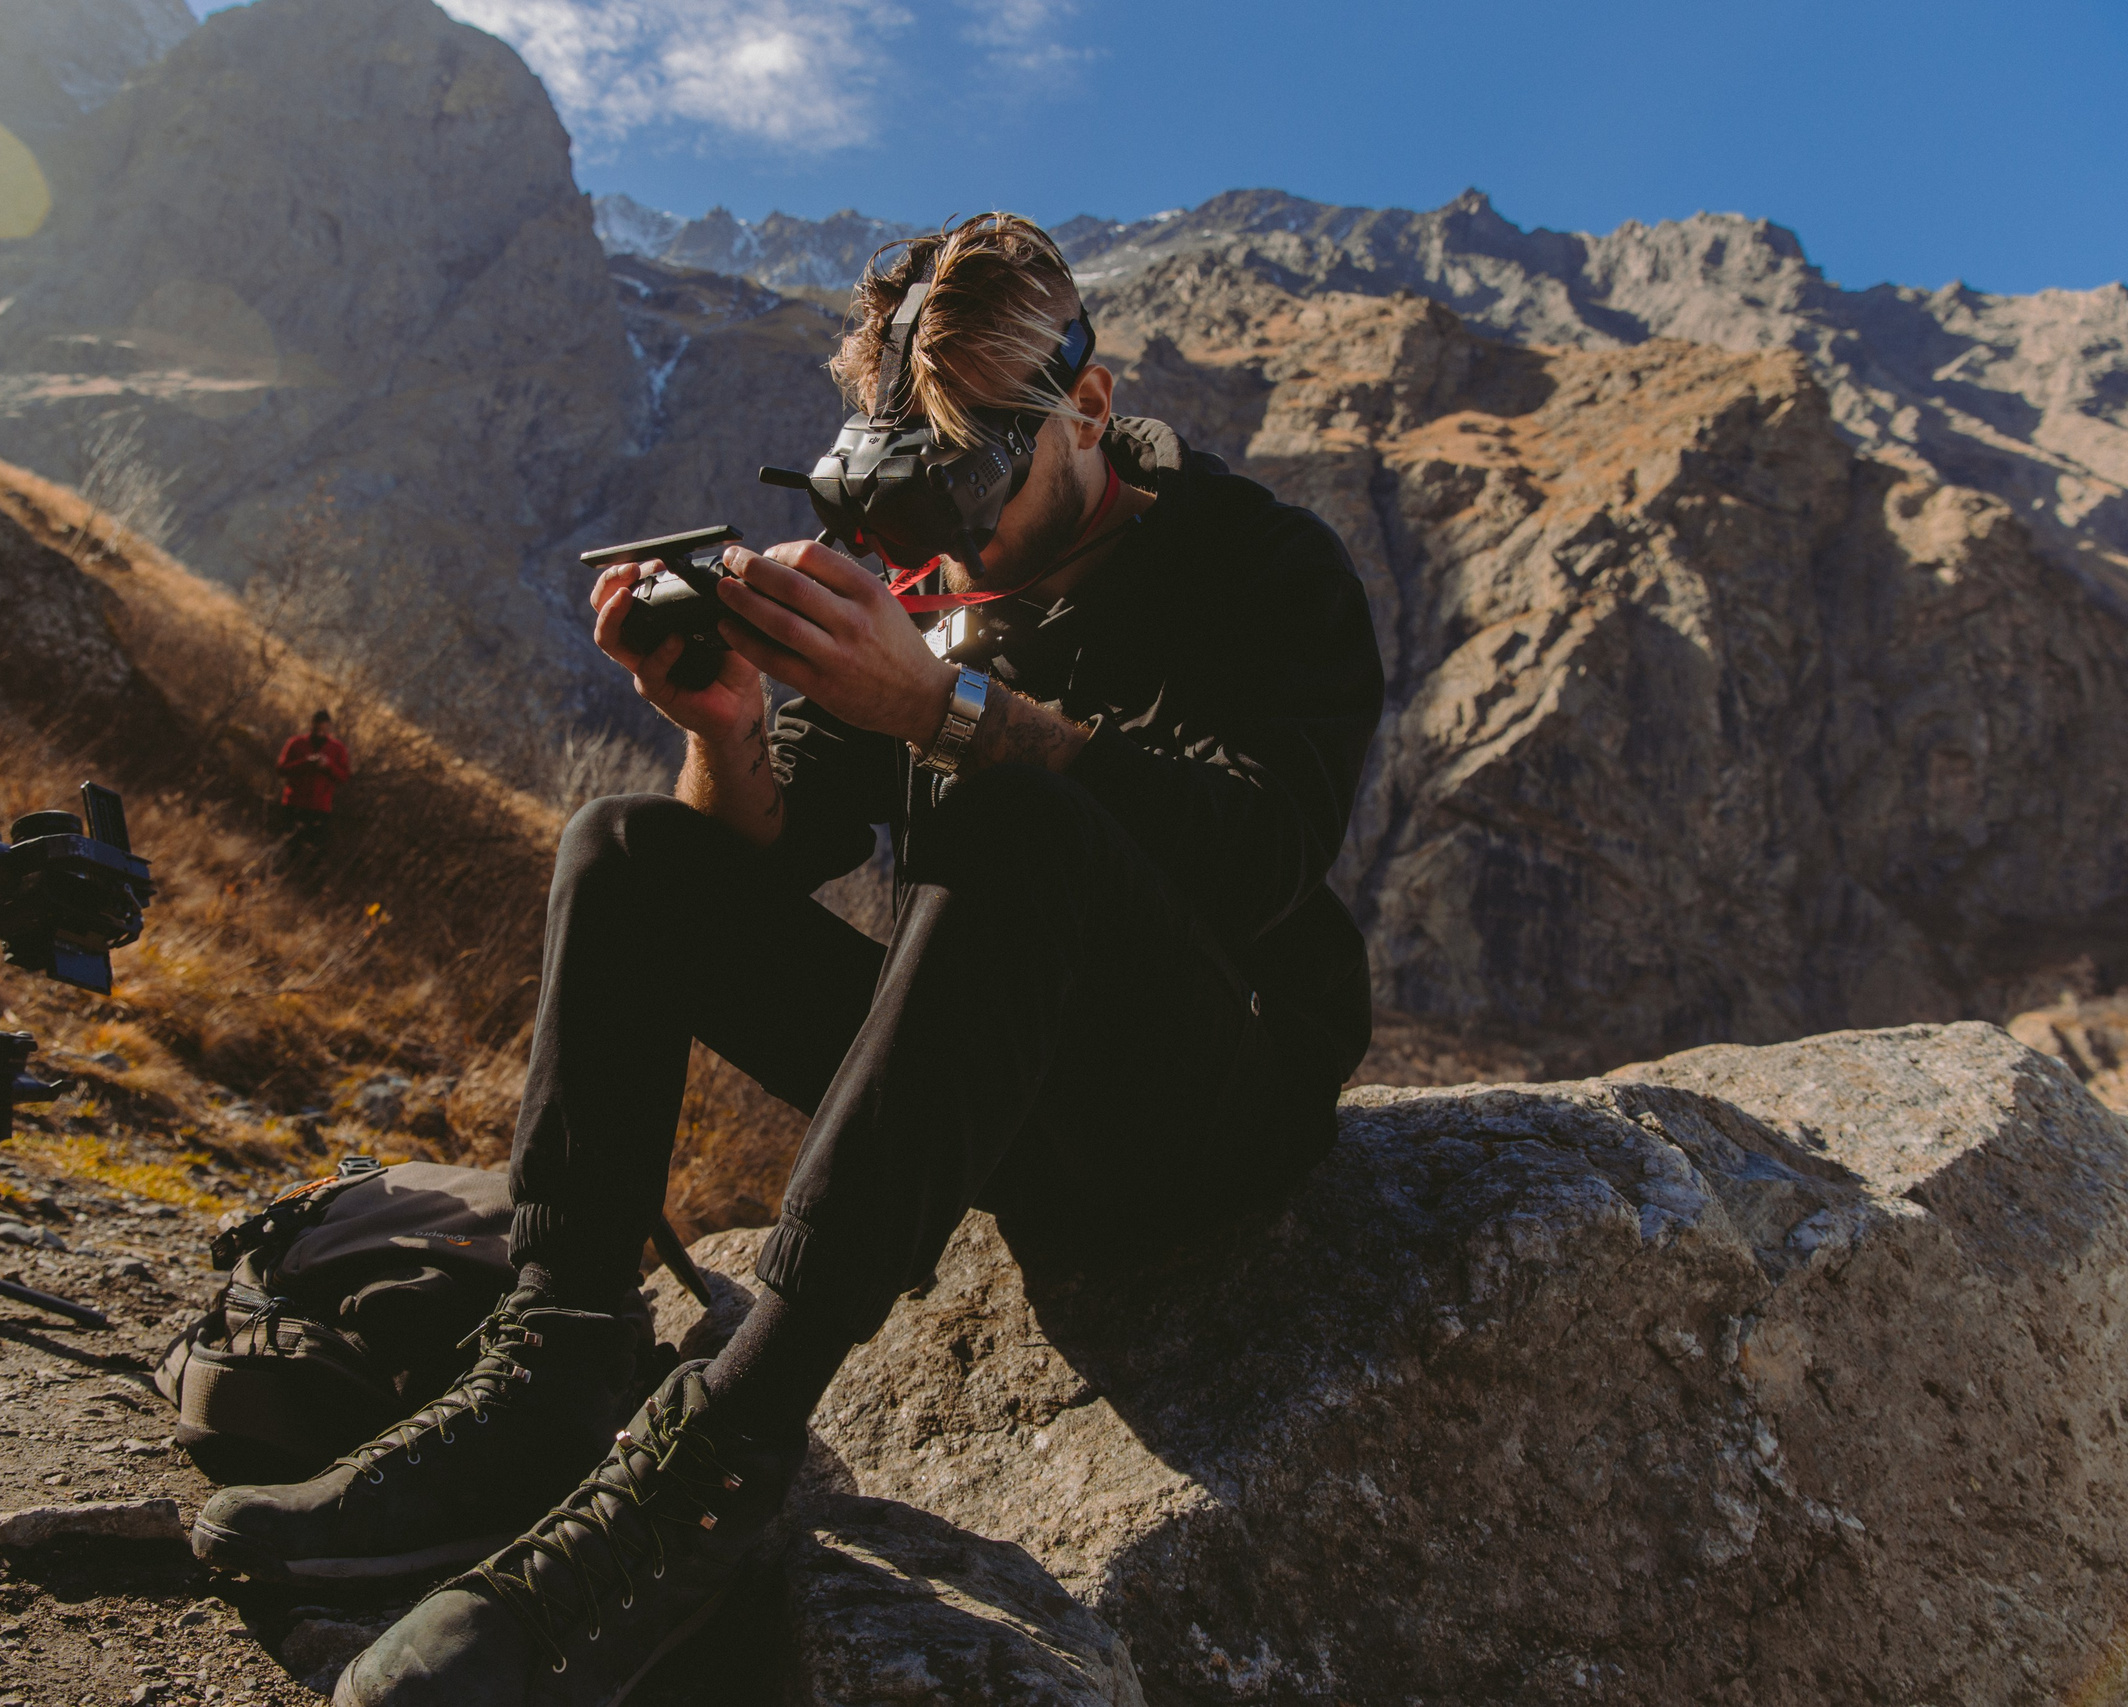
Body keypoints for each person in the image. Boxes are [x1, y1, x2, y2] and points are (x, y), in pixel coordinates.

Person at [194, 213, 1385, 1704]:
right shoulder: (939, 586)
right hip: (987, 1091)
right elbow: (763, 850)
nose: (940, 524)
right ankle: (553, 1364)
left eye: (971, 470)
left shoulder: (1257, 564)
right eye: (903, 483)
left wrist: (949, 710)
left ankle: (710, 1465)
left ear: (1085, 408)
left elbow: (1261, 849)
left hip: (1198, 1111)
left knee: (1022, 828)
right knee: (624, 852)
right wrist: (722, 720)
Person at [276, 709, 350, 857]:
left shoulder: (337, 748)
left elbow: (344, 777)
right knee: (288, 849)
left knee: (314, 854)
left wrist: (328, 765)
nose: (320, 732)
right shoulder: (296, 743)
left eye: (324, 729)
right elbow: (281, 770)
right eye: (317, 728)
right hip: (294, 803)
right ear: (311, 725)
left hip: (319, 807)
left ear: (329, 727)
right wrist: (305, 763)